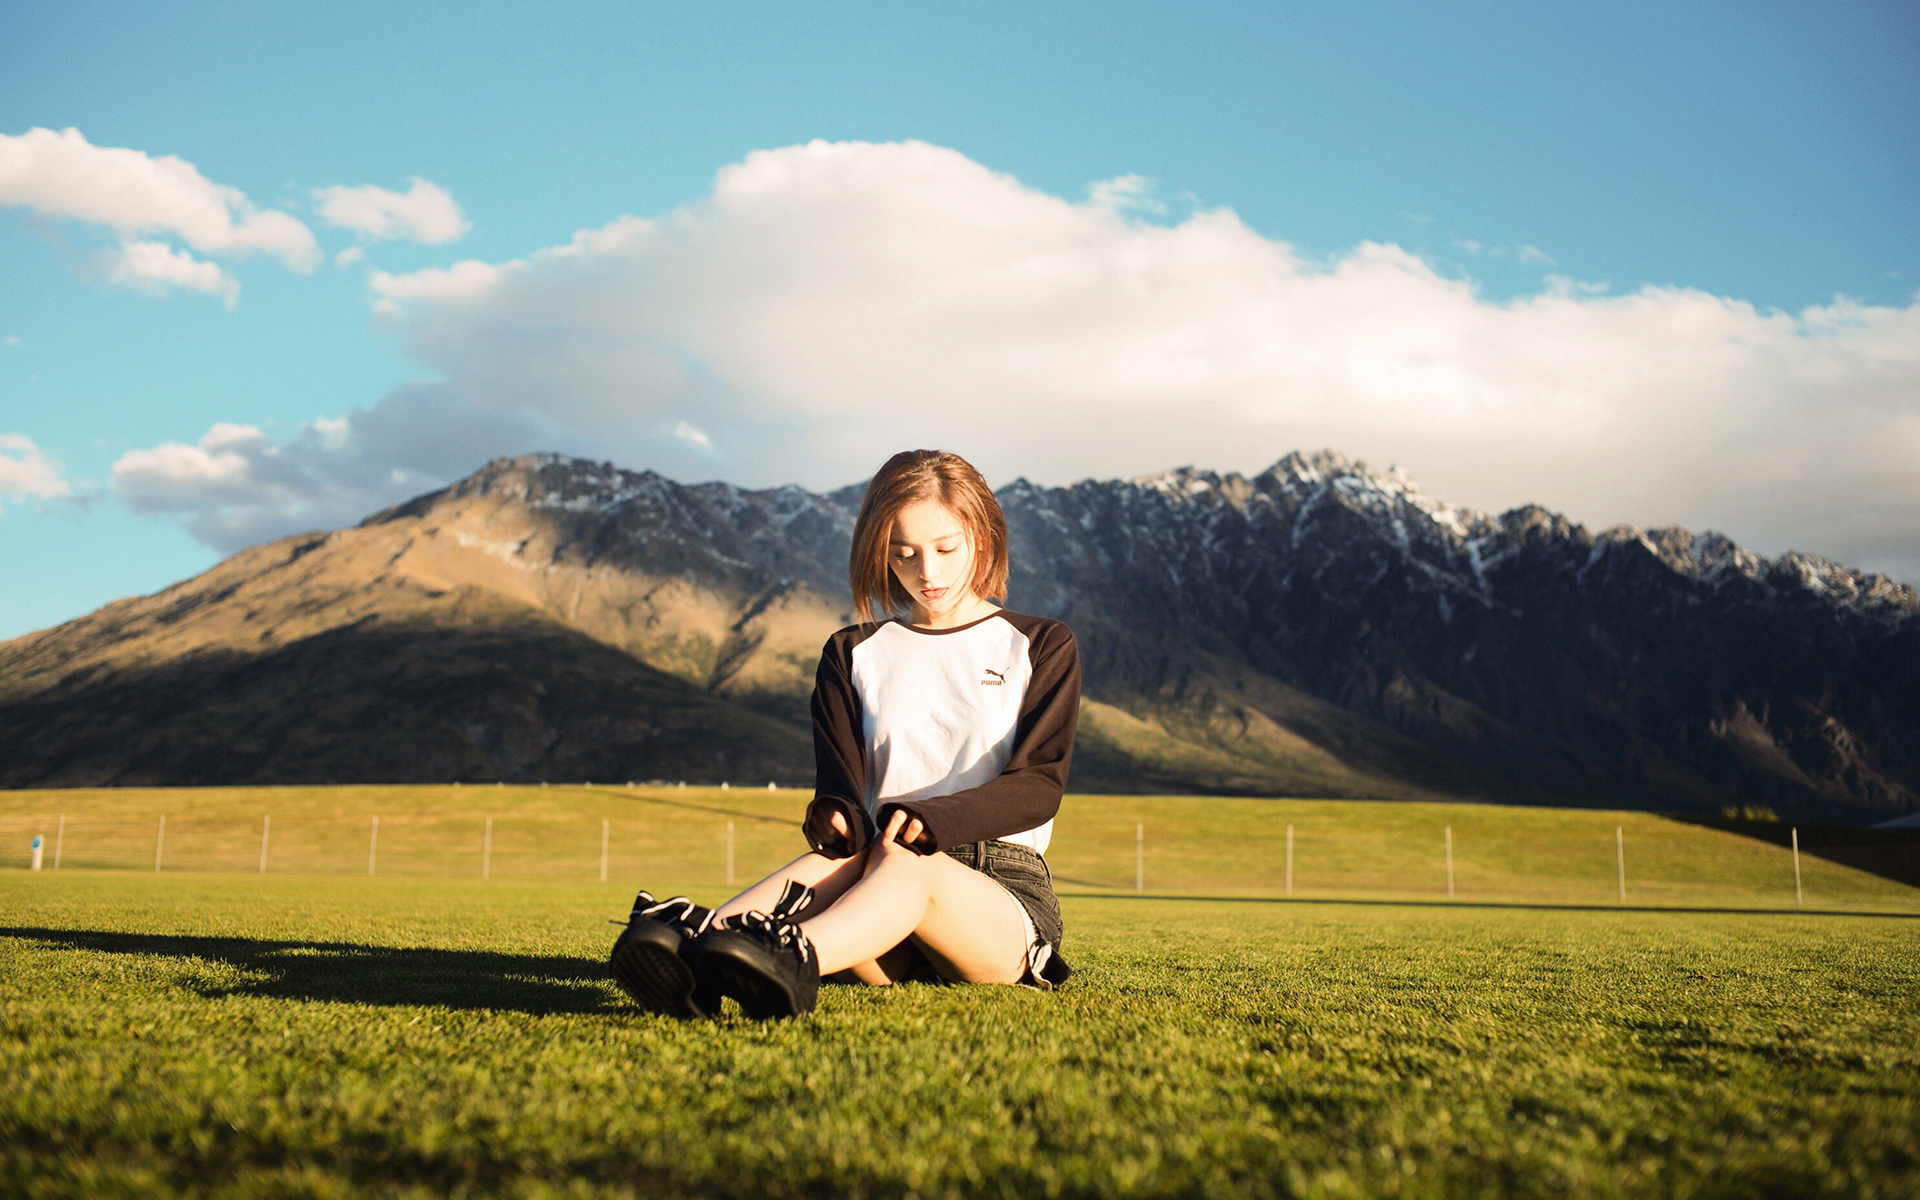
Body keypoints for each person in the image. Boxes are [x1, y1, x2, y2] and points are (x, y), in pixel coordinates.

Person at [609, 449, 1080, 1019]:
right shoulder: (850, 652)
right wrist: (836, 813)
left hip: (996, 894)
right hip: (877, 886)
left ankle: (790, 955)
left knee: (910, 860)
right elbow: (841, 787)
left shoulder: (1040, 645)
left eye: (945, 549)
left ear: (982, 535)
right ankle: (699, 950)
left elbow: (1038, 787)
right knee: (850, 860)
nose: (926, 572)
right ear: (877, 551)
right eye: (902, 554)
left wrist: (933, 821)